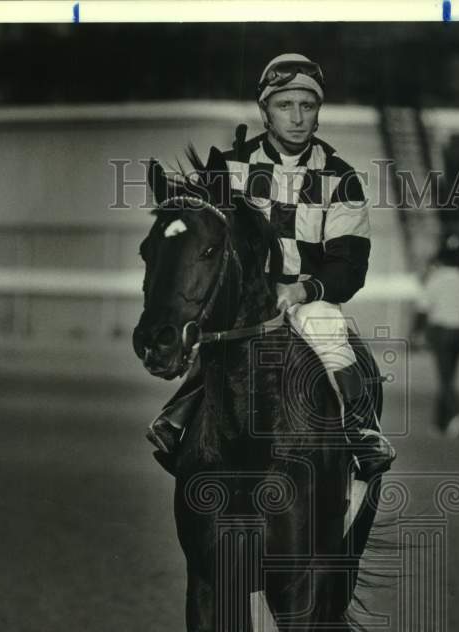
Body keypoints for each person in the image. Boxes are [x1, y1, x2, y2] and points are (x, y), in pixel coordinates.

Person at [146, 53, 395, 478]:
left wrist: (301, 291)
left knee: (328, 328)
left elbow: (350, 265)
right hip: (245, 296)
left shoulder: (342, 178)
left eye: (307, 105)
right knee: (220, 335)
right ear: (265, 111)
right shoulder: (229, 167)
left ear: (318, 112)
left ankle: (361, 431)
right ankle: (177, 416)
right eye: (285, 105)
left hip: (307, 298)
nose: (297, 117)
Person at [413, 236, 459, 436]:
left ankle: (457, 415)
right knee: (449, 376)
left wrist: (417, 333)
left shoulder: (435, 279)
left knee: (444, 379)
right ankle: (440, 422)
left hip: (441, 331)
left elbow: (423, 309)